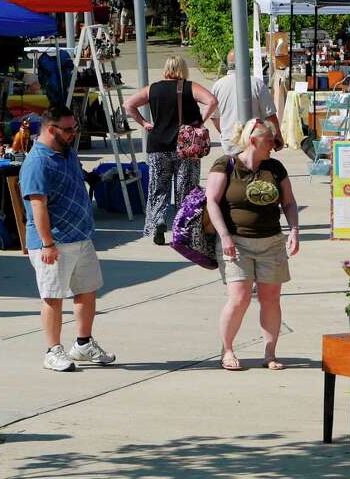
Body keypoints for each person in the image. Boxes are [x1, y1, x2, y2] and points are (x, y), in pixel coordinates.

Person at [19, 105, 116, 372]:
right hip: (54, 243)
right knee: (53, 296)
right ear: (52, 130)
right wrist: (47, 243)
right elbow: (38, 206)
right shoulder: (37, 162)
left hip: (81, 237)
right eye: (69, 129)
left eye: (75, 128)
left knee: (87, 290)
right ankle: (53, 350)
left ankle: (83, 344)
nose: (74, 133)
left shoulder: (66, 153)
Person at [204, 119, 299, 371]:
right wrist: (224, 235)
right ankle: (227, 350)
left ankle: (270, 353)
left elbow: (289, 202)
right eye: (270, 140)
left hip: (272, 242)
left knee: (271, 298)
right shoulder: (226, 164)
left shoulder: (275, 168)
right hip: (236, 242)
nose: (275, 144)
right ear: (254, 141)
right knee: (240, 298)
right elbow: (211, 201)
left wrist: (294, 230)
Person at [124, 55, 218, 244]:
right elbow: (212, 101)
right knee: (186, 188)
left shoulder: (152, 89)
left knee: (158, 187)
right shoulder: (190, 87)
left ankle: (158, 220)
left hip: (157, 144)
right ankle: (183, 228)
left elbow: (129, 105)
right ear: (183, 69)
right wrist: (200, 121)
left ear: (166, 68)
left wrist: (144, 123)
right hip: (186, 146)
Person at [211, 50, 282, 156]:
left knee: (234, 170)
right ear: (247, 62)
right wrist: (278, 136)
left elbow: (214, 117)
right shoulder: (257, 84)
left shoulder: (217, 86)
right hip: (254, 141)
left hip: (229, 141)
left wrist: (226, 133)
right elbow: (270, 114)